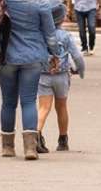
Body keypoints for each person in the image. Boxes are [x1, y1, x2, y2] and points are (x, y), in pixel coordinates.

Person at [0, 0, 61, 160]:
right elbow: (50, 34)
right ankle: (30, 148)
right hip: (33, 57)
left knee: (8, 102)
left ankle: (7, 147)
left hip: (6, 55)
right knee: (28, 101)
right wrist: (55, 53)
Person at [36, 21, 86, 150]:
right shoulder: (65, 36)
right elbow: (77, 56)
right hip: (62, 76)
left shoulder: (40, 35)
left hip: (43, 75)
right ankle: (63, 140)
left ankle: (36, 134)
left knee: (44, 107)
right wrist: (81, 70)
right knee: (62, 107)